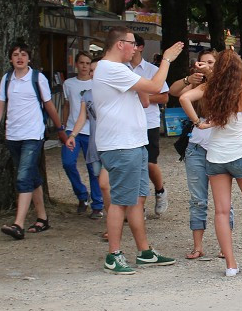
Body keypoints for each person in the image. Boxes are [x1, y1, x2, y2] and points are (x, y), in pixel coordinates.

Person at [180, 49, 242, 278]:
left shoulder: (209, 90)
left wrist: (198, 122)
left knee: (221, 212)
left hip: (215, 157)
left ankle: (231, 266)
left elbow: (184, 97)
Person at [90, 28, 182, 274]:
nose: (136, 48)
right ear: (120, 44)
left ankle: (144, 251)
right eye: (132, 44)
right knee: (120, 201)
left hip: (133, 143)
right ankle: (114, 254)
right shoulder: (110, 68)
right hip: (121, 145)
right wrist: (166, 60)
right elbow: (154, 86)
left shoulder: (120, 70)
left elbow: (144, 99)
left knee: (136, 201)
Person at [0, 41, 69, 239]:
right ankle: (42, 218)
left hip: (33, 134)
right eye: (15, 55)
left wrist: (60, 129)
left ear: (29, 58)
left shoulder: (37, 78)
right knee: (31, 177)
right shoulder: (7, 79)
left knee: (23, 177)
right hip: (13, 135)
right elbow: (0, 106)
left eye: (23, 54)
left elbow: (49, 105)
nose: (20, 58)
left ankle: (18, 224)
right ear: (10, 59)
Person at [169, 50, 233, 260]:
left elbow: (224, 96)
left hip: (219, 147)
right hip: (196, 147)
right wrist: (191, 79)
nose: (206, 66)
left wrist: (211, 76)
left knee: (223, 202)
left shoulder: (224, 84)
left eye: (211, 63)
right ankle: (198, 246)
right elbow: (175, 92)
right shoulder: (197, 84)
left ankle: (225, 246)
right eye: (202, 62)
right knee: (198, 199)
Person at [128, 37, 170, 216]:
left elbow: (164, 97)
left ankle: (160, 191)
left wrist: (142, 98)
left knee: (150, 164)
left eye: (132, 44)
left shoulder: (153, 70)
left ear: (140, 47)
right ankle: (138, 205)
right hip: (128, 123)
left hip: (149, 123)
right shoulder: (122, 69)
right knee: (134, 165)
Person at [60, 52, 103, 217]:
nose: (85, 66)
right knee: (68, 163)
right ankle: (81, 194)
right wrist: (63, 128)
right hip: (73, 129)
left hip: (92, 131)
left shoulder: (97, 84)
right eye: (82, 63)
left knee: (93, 168)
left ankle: (97, 204)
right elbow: (66, 105)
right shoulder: (69, 84)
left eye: (88, 63)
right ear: (76, 64)